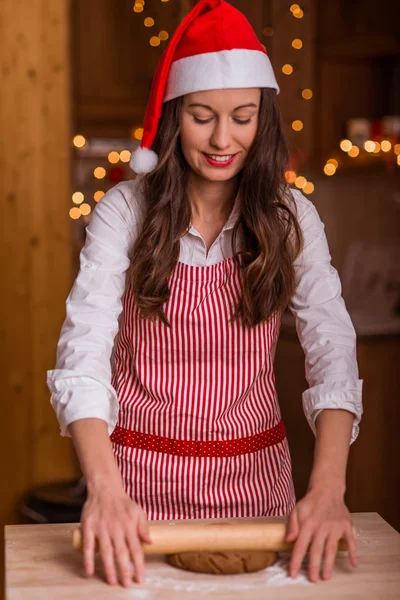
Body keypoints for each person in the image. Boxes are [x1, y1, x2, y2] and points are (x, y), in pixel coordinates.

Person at [47, 0, 363, 589]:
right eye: (202, 115)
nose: (223, 138)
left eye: (243, 117)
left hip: (258, 494)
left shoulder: (291, 215)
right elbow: (83, 352)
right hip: (137, 496)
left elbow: (332, 350)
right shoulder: (124, 211)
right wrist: (104, 490)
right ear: (173, 117)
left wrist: (327, 489)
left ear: (263, 119)